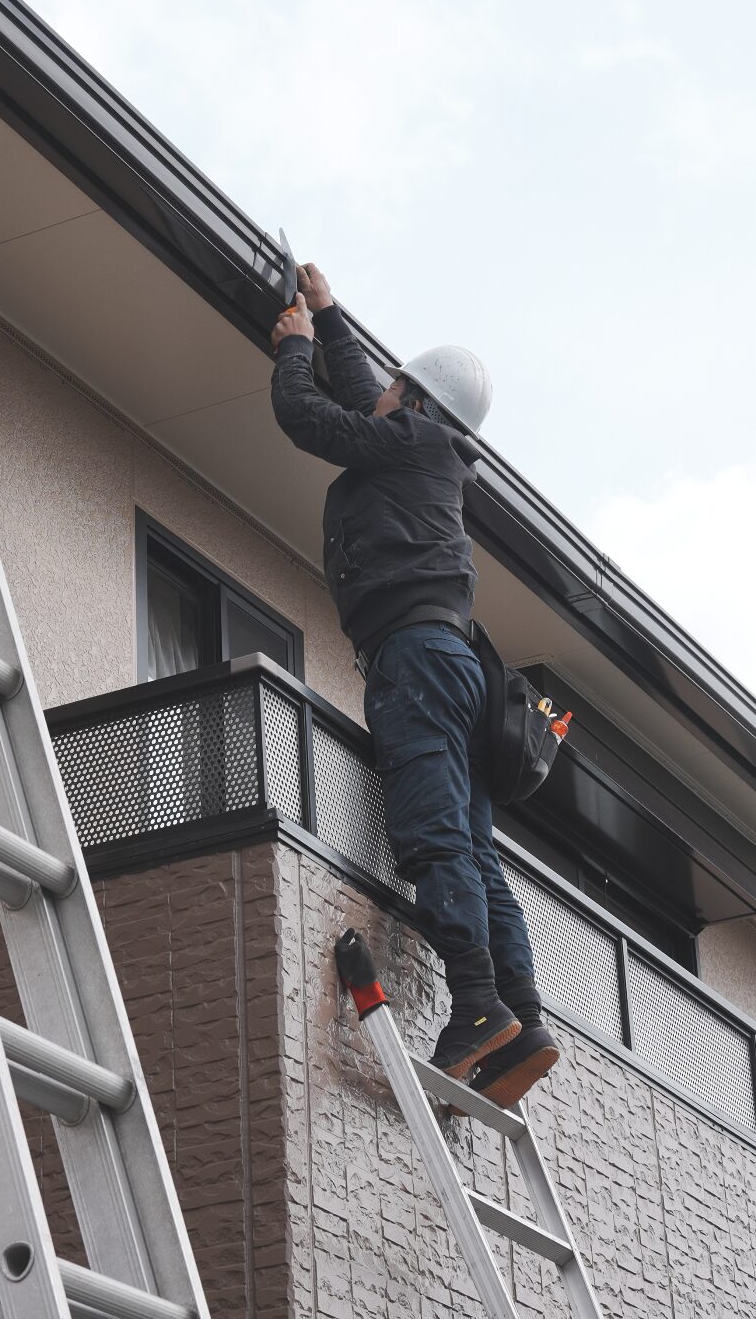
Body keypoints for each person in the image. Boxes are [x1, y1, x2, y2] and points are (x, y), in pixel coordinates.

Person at [269, 264, 559, 1107]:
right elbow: (369, 403)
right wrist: (327, 319)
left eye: (398, 385)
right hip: (452, 660)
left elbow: (308, 415)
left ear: (420, 403)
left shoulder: (412, 441)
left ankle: (475, 1003)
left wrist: (293, 351)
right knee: (473, 850)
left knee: (432, 833)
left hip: (416, 663)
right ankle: (520, 1015)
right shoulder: (429, 448)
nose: (383, 391)